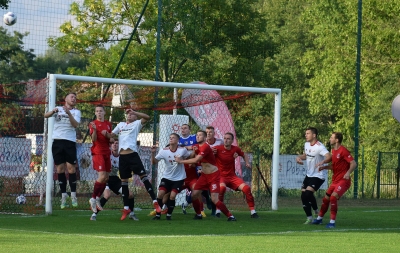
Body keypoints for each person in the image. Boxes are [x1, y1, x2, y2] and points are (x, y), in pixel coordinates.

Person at [108, 108, 161, 220]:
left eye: (132, 115)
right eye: (129, 114)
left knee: (144, 178)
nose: (129, 115)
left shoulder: (136, 124)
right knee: (124, 182)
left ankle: (155, 202)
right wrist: (106, 133)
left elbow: (147, 117)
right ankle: (126, 207)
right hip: (122, 157)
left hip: (133, 155)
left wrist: (135, 112)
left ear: (136, 117)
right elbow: (111, 135)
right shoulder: (121, 125)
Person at [175, 130, 237, 221]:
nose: (197, 136)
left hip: (213, 176)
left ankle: (230, 216)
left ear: (204, 138)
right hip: (204, 176)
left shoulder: (205, 147)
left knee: (214, 199)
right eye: (197, 135)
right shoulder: (196, 146)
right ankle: (198, 214)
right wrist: (184, 152)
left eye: (200, 135)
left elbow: (196, 160)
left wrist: (181, 161)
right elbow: (189, 153)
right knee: (194, 195)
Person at [312, 132, 357, 228]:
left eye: (331, 137)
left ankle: (332, 222)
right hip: (335, 181)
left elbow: (353, 163)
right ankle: (319, 219)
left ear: (337, 140)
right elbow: (335, 166)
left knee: (333, 198)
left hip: (343, 181)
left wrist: (348, 173)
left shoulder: (343, 151)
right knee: (325, 199)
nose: (330, 139)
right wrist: (324, 167)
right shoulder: (333, 151)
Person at [44, 92, 81, 209]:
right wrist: (53, 111)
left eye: (75, 97)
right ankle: (64, 195)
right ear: (65, 99)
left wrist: (69, 113)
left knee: (71, 168)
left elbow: (75, 125)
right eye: (72, 97)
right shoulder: (58, 109)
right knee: (60, 169)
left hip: (69, 142)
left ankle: (74, 195)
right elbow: (46, 115)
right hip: (58, 142)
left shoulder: (76, 112)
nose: (74, 99)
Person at [214, 132, 259, 218]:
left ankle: (253, 212)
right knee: (222, 188)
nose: (226, 140)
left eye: (228, 139)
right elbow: (208, 154)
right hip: (221, 177)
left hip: (232, 177)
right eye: (225, 138)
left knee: (246, 188)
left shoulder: (235, 149)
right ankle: (218, 211)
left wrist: (247, 163)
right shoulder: (217, 149)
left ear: (232, 141)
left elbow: (244, 154)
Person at [90, 141, 138, 221]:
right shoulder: (107, 155)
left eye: (117, 143)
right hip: (106, 179)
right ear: (110, 145)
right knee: (107, 195)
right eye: (113, 143)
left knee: (130, 194)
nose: (115, 145)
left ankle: (132, 213)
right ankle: (94, 214)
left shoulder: (122, 157)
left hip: (115, 179)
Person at [296, 127, 332, 224]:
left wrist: (323, 162)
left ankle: (316, 211)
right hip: (309, 175)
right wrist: (299, 158)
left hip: (319, 175)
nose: (305, 135)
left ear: (314, 135)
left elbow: (329, 156)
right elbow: (305, 155)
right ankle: (310, 217)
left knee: (307, 194)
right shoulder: (306, 144)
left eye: (308, 133)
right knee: (303, 196)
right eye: (306, 133)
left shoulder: (320, 147)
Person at [151, 133, 190, 220]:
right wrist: (153, 153)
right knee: (160, 194)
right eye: (170, 137)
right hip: (167, 177)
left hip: (179, 178)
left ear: (177, 140)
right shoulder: (164, 151)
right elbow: (154, 162)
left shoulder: (182, 150)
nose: (171, 139)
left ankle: (169, 215)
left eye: (173, 138)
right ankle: (158, 214)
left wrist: (183, 161)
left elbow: (189, 156)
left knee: (172, 196)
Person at [88, 105, 113, 213]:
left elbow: (112, 139)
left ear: (104, 112)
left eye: (100, 111)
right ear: (95, 113)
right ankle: (93, 198)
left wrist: (107, 135)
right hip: (98, 152)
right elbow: (93, 139)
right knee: (102, 176)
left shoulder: (108, 124)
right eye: (97, 111)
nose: (98, 113)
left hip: (107, 152)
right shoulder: (93, 124)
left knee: (106, 178)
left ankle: (97, 198)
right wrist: (94, 130)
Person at [205, 125, 223, 215]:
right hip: (204, 168)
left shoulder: (220, 142)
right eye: (207, 132)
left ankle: (214, 209)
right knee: (202, 189)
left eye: (210, 132)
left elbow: (225, 151)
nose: (208, 134)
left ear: (214, 133)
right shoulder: (203, 142)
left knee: (214, 190)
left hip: (216, 169)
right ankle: (208, 201)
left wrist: (217, 153)